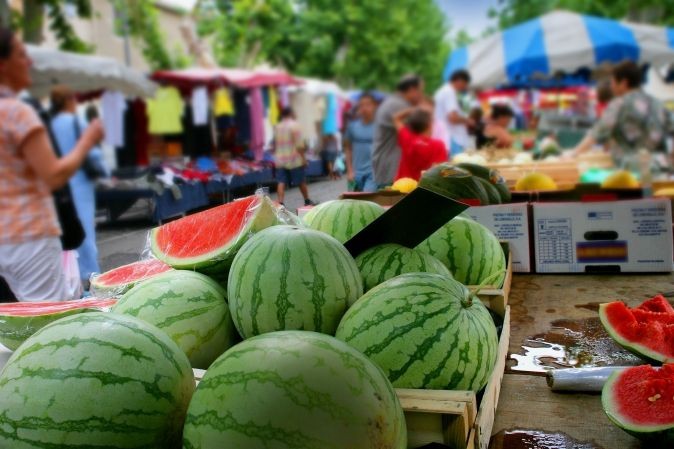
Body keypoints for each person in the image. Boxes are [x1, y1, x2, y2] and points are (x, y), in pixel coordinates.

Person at [0, 28, 104, 301]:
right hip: (29, 236)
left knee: (11, 324)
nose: (29, 63)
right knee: (50, 324)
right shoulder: (17, 111)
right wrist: (88, 140)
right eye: (22, 55)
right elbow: (53, 176)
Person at [49, 86, 107, 287]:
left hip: (60, 185)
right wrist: (104, 172)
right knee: (85, 233)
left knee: (66, 232)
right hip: (80, 182)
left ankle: (71, 281)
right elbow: (92, 153)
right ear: (69, 101)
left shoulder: (50, 124)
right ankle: (92, 279)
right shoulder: (76, 122)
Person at [572, 61, 673, 168]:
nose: (611, 87)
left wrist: (574, 153)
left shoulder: (619, 104)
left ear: (624, 83)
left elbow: (597, 133)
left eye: (613, 82)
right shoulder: (658, 104)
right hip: (661, 169)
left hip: (633, 170)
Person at [372, 74, 425, 188]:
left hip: (391, 167)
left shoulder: (395, 102)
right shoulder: (399, 105)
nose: (421, 95)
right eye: (420, 91)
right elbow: (420, 131)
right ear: (411, 90)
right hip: (392, 169)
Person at [273, 107, 315, 206]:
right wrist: (304, 159)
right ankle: (307, 200)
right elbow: (299, 144)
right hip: (293, 158)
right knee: (301, 181)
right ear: (291, 113)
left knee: (281, 181)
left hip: (280, 159)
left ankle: (281, 203)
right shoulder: (295, 126)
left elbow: (275, 143)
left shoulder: (277, 127)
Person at [392, 107, 448, 181]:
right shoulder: (438, 145)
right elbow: (440, 172)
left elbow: (396, 118)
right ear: (429, 125)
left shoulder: (406, 137)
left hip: (401, 186)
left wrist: (413, 110)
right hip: (423, 188)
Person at [434, 69, 474, 156]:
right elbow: (453, 118)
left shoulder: (443, 91)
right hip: (452, 138)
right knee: (455, 167)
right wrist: (467, 120)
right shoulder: (449, 92)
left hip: (446, 137)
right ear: (459, 81)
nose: (465, 87)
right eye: (465, 84)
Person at [344, 93, 378, 192]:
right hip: (356, 174)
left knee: (366, 200)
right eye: (362, 105)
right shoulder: (352, 126)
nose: (364, 108)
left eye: (368, 104)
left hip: (373, 174)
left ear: (374, 106)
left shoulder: (381, 127)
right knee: (354, 203)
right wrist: (350, 171)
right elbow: (347, 148)